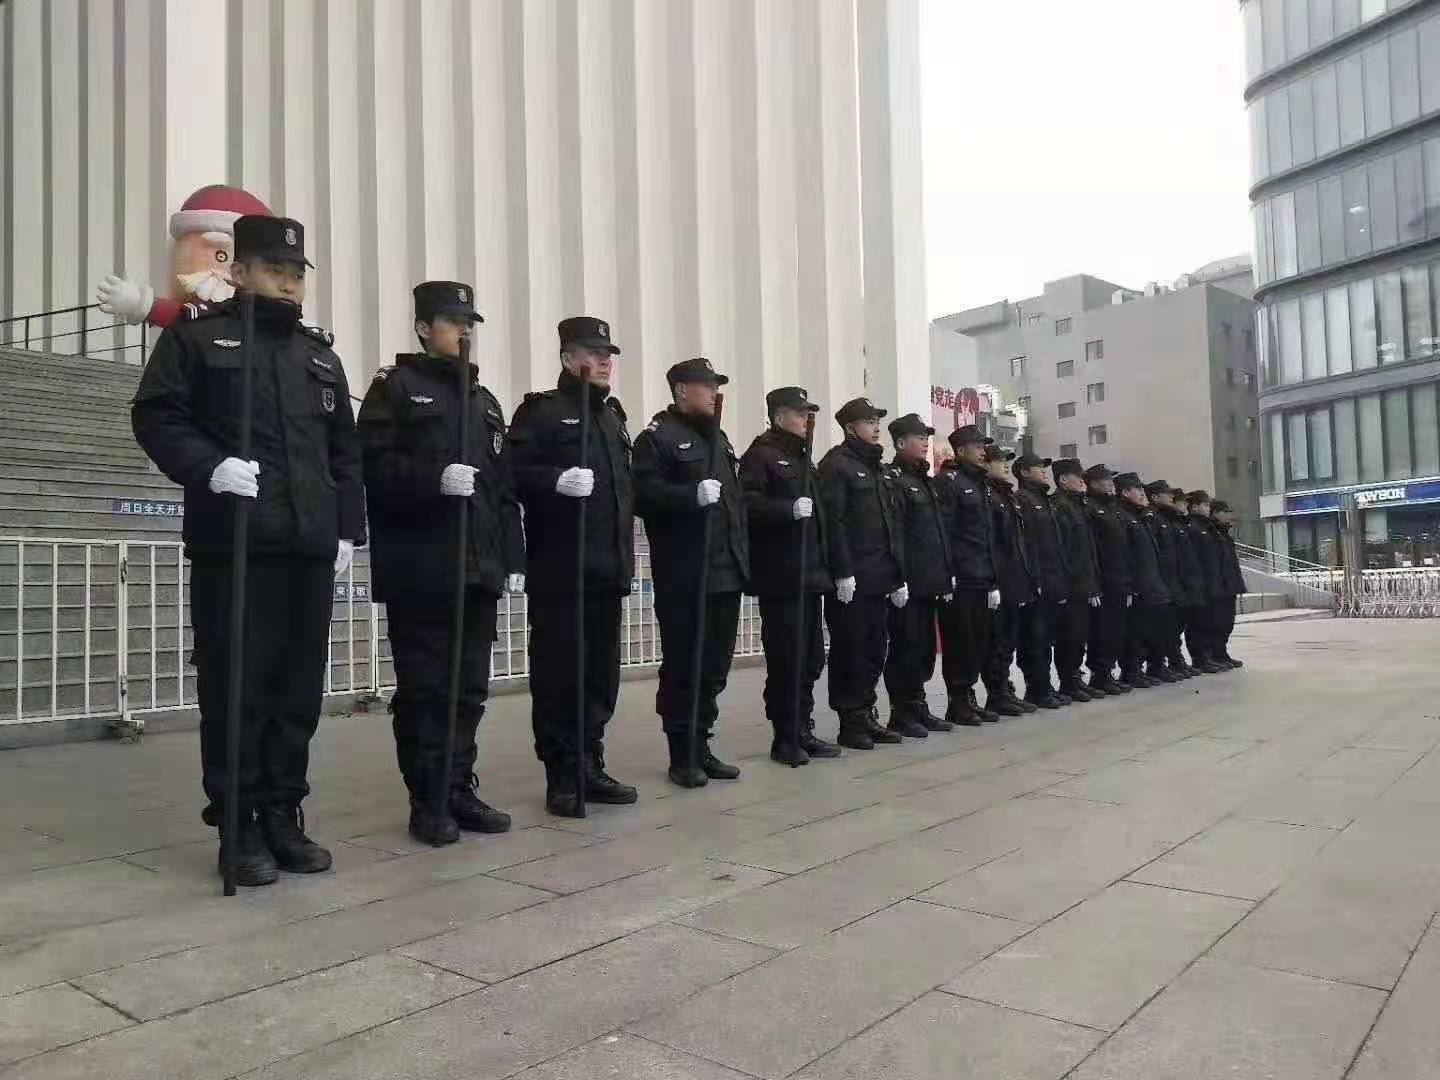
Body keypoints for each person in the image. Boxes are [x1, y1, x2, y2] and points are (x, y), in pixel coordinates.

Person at [132, 214, 364, 887]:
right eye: (274, 271)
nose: (288, 285)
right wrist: (209, 467)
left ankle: (283, 813)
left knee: (297, 691)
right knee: (238, 688)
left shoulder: (320, 358)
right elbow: (157, 415)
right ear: (238, 271)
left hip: (308, 547)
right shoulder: (197, 339)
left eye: (296, 275)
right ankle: (238, 825)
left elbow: (344, 453)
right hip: (235, 545)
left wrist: (347, 528)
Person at [357, 281, 521, 846]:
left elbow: (502, 491)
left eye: (469, 323)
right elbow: (370, 467)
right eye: (453, 322)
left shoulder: (484, 401)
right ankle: (426, 799)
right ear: (425, 328)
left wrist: (511, 557)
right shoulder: (395, 389)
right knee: (426, 688)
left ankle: (457, 786)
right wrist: (432, 480)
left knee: (469, 688)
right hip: (422, 568)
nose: (464, 331)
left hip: (477, 568)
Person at [508, 316, 638, 817]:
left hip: (608, 567)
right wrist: (554, 481)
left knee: (600, 675)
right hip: (562, 569)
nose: (604, 362)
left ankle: (590, 761)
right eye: (593, 353)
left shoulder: (612, 417)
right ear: (567, 358)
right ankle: (562, 772)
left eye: (608, 355)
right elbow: (510, 473)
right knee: (561, 675)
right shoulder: (541, 412)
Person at [633, 358, 748, 788]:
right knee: (685, 664)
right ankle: (681, 751)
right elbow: (642, 496)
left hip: (724, 571)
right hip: (685, 573)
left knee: (714, 666)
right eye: (707, 386)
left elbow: (734, 507)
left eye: (717, 386)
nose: (715, 393)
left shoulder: (719, 439)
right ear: (681, 390)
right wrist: (688, 497)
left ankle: (702, 743)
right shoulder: (657, 438)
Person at [739, 388, 841, 765]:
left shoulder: (803, 458)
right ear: (780, 417)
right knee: (787, 659)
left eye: (808, 414)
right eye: (800, 414)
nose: (806, 420)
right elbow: (746, 504)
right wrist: (786, 510)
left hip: (809, 575)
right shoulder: (761, 455)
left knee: (810, 658)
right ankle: (784, 736)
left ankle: (802, 728)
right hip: (781, 577)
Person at [818, 397, 907, 749]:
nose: (876, 427)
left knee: (874, 648)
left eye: (877, 421)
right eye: (869, 422)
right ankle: (850, 720)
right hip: (852, 579)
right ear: (850, 428)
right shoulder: (836, 465)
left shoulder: (877, 468)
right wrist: (842, 571)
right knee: (850, 650)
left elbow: (890, 525)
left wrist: (897, 576)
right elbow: (834, 522)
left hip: (879, 575)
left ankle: (866, 712)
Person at [882, 414, 955, 736]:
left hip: (928, 580)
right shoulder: (895, 480)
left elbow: (937, 532)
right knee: (906, 648)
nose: (926, 443)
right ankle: (902, 712)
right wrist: (899, 577)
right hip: (909, 582)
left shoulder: (925, 480)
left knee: (924, 648)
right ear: (900, 443)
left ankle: (918, 705)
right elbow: (895, 534)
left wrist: (945, 573)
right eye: (919, 438)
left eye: (927, 437)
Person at [934, 425, 1000, 726]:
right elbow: (946, 532)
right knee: (960, 641)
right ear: (961, 451)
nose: (983, 452)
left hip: (981, 575)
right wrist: (948, 573)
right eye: (977, 447)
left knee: (978, 641)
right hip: (961, 577)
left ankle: (969, 696)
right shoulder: (950, 482)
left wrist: (992, 578)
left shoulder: (980, 484)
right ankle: (957, 701)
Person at [981, 444, 1037, 717]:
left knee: (1008, 639)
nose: (1004, 465)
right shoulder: (988, 495)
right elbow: (992, 542)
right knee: (997, 640)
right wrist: (993, 581)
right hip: (999, 579)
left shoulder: (1007, 496)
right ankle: (997, 693)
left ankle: (1005, 689)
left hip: (1014, 578)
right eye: (999, 460)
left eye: (1006, 460)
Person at [1012, 452, 1070, 708]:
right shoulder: (1022, 499)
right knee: (1034, 638)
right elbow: (1026, 544)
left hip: (1052, 578)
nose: (1044, 471)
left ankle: (1045, 686)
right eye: (1038, 467)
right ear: (1024, 473)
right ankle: (1037, 688)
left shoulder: (1044, 500)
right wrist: (1033, 578)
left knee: (1046, 637)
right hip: (1036, 580)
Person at [1049, 458, 1103, 701]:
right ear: (1062, 479)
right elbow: (1064, 550)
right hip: (1071, 584)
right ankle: (1068, 681)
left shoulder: (1078, 505)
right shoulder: (1060, 506)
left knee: (1080, 635)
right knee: (1069, 636)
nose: (1083, 481)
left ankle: (1075, 678)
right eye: (1078, 476)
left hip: (1084, 583)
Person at [1114, 472, 1172, 688]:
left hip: (1152, 582)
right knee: (1135, 632)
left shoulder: (1141, 517)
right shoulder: (1123, 516)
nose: (1142, 493)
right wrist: (1130, 584)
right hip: (1138, 584)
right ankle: (1132, 670)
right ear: (1125, 492)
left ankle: (1155, 666)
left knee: (1154, 629)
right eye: (1137, 489)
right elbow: (1124, 554)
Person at [1084, 464, 1132, 694]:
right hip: (1104, 580)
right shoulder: (1090, 508)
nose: (1111, 484)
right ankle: (1100, 674)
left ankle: (1108, 671)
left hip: (1119, 578)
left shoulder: (1113, 508)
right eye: (1106, 480)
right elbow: (1092, 549)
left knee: (1116, 630)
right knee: (1102, 631)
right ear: (1093, 483)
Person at [1142, 481, 1189, 682]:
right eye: (1166, 494)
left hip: (1173, 580)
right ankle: (1157, 665)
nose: (1171, 497)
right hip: (1161, 581)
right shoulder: (1152, 518)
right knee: (1159, 628)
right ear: (1154, 497)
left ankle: (1174, 661)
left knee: (1173, 627)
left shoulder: (1168, 519)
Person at [1182, 491, 1229, 673]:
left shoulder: (1207, 527)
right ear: (1194, 506)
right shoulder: (1192, 527)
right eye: (1205, 505)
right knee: (1198, 624)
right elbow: (1193, 558)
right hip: (1199, 582)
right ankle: (1200, 658)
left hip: (1212, 582)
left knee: (1212, 622)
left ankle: (1211, 656)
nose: (1209, 508)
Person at [1163, 486, 1204, 677]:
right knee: (1172, 627)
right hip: (1173, 582)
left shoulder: (1181, 523)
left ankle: (1179, 660)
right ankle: (1173, 661)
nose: (1184, 505)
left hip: (1186, 581)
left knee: (1182, 624)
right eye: (1181, 502)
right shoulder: (1166, 522)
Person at [1210, 500, 1246, 668]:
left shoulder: (1224, 533)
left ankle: (1221, 653)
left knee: (1227, 622)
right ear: (1215, 513)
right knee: (1217, 622)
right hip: (1218, 585)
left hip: (1229, 584)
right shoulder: (1211, 532)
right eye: (1225, 512)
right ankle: (1214, 654)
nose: (1228, 516)